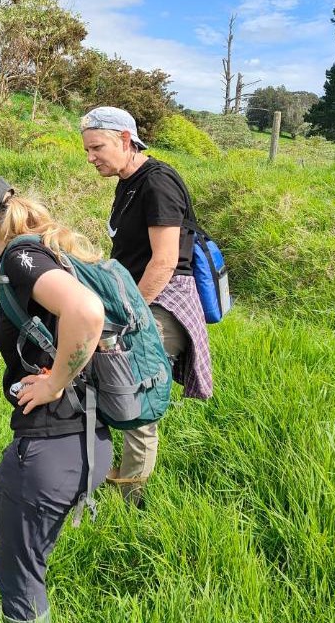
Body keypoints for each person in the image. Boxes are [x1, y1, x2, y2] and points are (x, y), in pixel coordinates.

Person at [0, 165, 113, 623]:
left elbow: (86, 311)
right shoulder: (33, 250)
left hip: (59, 443)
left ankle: (24, 569)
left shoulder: (19, 259)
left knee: (20, 589)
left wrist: (54, 382)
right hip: (72, 434)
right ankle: (23, 545)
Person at [79, 106, 213, 508]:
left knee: (137, 397)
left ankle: (131, 500)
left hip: (162, 300)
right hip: (135, 298)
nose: (91, 157)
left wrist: (130, 316)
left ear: (125, 139)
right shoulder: (128, 181)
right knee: (109, 385)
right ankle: (105, 473)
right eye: (86, 150)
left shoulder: (158, 182)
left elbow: (165, 261)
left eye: (97, 148)